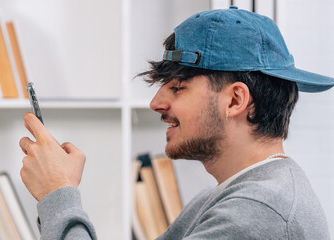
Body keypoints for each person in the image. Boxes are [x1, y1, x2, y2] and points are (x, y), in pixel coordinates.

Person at [19, 6, 332, 240]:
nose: (156, 103)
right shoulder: (223, 198)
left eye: (178, 87)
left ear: (235, 100)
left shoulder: (257, 211)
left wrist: (57, 193)